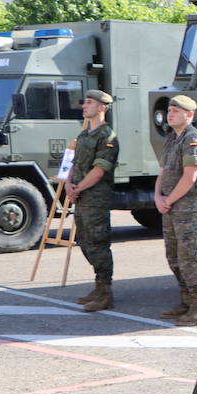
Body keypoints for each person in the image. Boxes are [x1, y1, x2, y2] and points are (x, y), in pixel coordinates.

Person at [155, 94, 197, 326]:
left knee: (187, 257)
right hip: (170, 205)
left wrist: (168, 200)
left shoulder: (193, 139)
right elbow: (162, 172)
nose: (170, 113)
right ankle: (186, 301)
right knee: (173, 256)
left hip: (187, 207)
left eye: (176, 110)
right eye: (169, 110)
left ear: (190, 115)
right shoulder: (171, 139)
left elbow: (190, 177)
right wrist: (158, 196)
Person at [67, 90, 120, 312]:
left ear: (102, 108)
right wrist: (69, 185)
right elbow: (74, 163)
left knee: (98, 242)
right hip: (81, 197)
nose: (84, 106)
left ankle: (105, 291)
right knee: (84, 240)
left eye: (89, 103)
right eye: (85, 102)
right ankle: (98, 287)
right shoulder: (84, 135)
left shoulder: (107, 137)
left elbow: (99, 171)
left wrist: (77, 189)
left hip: (95, 198)